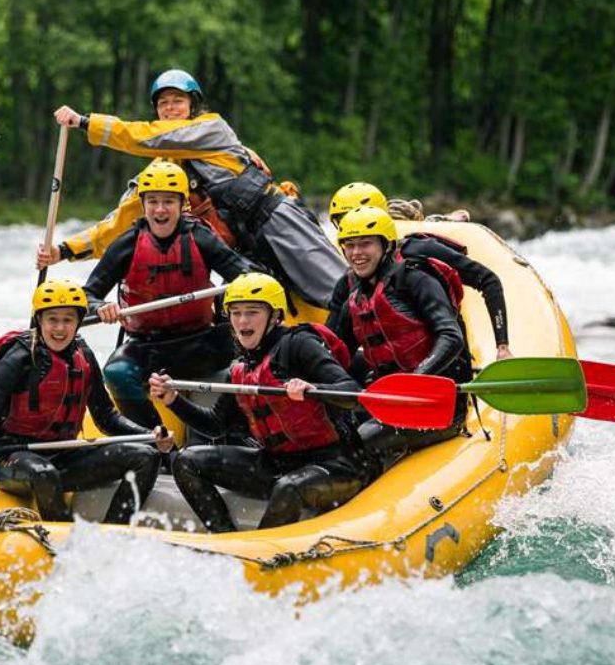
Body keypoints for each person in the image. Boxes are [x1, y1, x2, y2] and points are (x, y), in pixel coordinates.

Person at [36, 68, 347, 307]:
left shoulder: (212, 128)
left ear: (193, 106)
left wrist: (86, 122)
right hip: (240, 249)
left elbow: (143, 136)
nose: (170, 109)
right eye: (163, 104)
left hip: (275, 219)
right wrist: (63, 250)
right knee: (262, 305)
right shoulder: (162, 171)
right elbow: (120, 222)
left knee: (334, 288)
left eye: (178, 102)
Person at [148, 273, 368, 533]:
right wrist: (173, 400)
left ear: (275, 316)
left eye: (252, 312)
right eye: (236, 312)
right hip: (276, 463)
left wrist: (314, 388)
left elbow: (353, 393)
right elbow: (216, 425)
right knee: (186, 461)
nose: (242, 321)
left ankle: (259, 559)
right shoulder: (240, 368)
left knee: (289, 487)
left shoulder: (299, 345)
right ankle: (225, 539)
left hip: (335, 465)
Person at [0, 279, 173, 525]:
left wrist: (149, 435)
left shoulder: (83, 355)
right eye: (52, 319)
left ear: (78, 322)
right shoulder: (19, 358)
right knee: (44, 474)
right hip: (13, 456)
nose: (60, 328)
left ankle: (115, 532)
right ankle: (62, 541)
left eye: (68, 319)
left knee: (146, 457)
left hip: (64, 453)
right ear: (39, 321)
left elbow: (106, 416)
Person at [77, 159, 253, 428]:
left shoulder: (201, 238)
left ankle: (230, 432)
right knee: (117, 372)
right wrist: (100, 306)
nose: (160, 209)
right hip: (147, 346)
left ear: (182, 204)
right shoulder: (127, 244)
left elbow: (246, 277)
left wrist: (238, 298)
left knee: (248, 360)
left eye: (169, 201)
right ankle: (155, 441)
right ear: (143, 204)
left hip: (202, 342)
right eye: (153, 201)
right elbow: (86, 297)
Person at [327, 206, 491, 465]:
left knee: (359, 440)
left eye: (365, 244)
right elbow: (334, 357)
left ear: (386, 245)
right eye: (350, 245)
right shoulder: (354, 299)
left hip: (437, 405)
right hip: (389, 401)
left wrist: (416, 380)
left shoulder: (416, 279)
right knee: (333, 433)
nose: (356, 253)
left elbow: (451, 336)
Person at [327, 181, 511, 361]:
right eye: (343, 222)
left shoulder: (419, 252)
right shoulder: (350, 281)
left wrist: (502, 347)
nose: (352, 226)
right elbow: (332, 341)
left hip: (442, 362)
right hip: (390, 370)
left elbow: (487, 280)